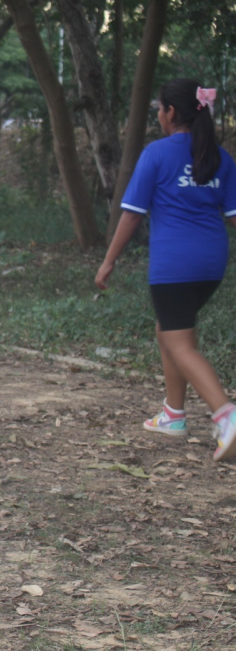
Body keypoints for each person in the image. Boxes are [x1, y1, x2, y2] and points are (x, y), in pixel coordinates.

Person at [97, 79, 236, 463]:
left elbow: (132, 215)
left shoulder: (157, 154)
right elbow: (234, 215)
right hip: (212, 264)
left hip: (174, 264)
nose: (158, 114)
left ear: (171, 113)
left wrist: (109, 260)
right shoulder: (221, 157)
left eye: (159, 108)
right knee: (170, 329)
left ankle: (227, 416)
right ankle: (173, 415)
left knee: (180, 343)